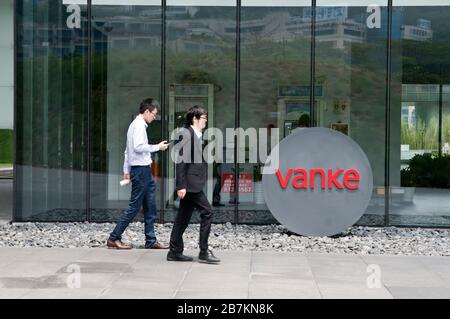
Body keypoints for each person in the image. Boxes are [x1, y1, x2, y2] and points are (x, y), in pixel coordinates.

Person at [107, 98, 169, 250]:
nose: (155, 117)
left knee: (150, 205)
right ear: (147, 111)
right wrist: (158, 147)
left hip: (142, 170)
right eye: (154, 114)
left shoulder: (135, 125)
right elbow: (138, 147)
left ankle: (151, 240)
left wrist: (126, 171)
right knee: (134, 206)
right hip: (141, 171)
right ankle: (114, 238)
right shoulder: (139, 126)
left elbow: (128, 151)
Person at [167, 105, 220, 263]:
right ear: (194, 119)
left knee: (183, 217)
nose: (205, 121)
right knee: (207, 212)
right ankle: (203, 252)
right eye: (203, 118)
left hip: (192, 183)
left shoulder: (195, 134)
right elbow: (181, 162)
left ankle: (174, 251)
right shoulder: (188, 135)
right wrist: (181, 186)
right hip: (190, 185)